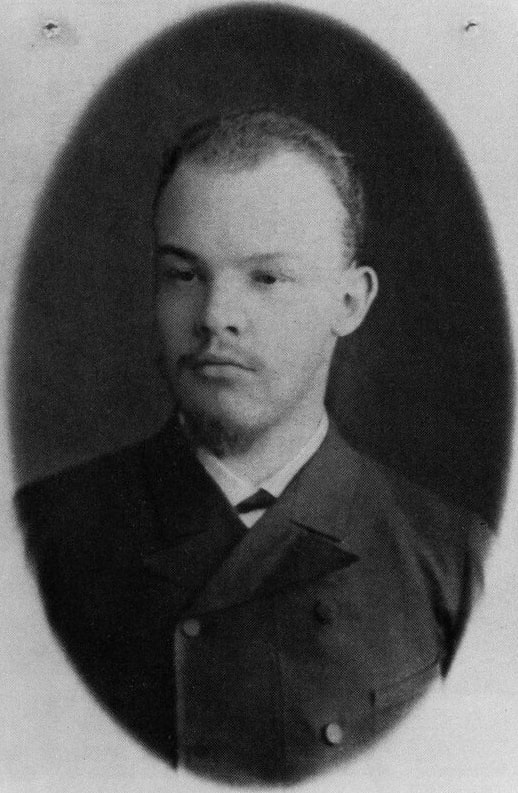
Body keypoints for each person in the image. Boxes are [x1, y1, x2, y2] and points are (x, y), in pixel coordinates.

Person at [16, 110, 489, 786]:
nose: (215, 316)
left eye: (266, 278)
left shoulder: (456, 564)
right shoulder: (37, 540)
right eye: (184, 274)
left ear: (350, 302)